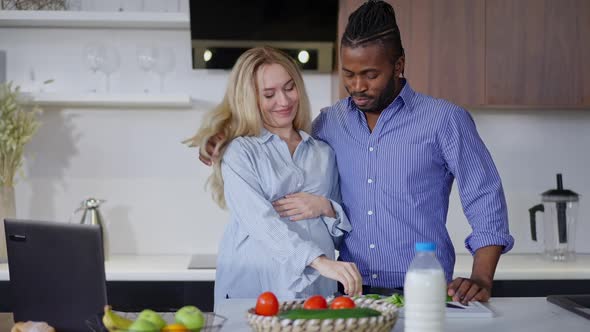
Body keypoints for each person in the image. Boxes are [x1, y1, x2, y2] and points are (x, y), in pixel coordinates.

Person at [200, 1, 514, 305]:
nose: (358, 85)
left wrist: (482, 277)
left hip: (422, 286)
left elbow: (485, 197)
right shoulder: (328, 125)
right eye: (349, 74)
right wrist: (223, 135)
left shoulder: (444, 121)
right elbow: (279, 136)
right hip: (350, 291)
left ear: (398, 65)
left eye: (370, 74)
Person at [184, 46, 362, 306]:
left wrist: (326, 207)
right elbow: (261, 222)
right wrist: (319, 261)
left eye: (290, 88)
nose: (284, 101)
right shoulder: (240, 151)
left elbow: (336, 236)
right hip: (255, 291)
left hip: (315, 291)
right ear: (250, 99)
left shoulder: (323, 153)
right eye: (269, 94)